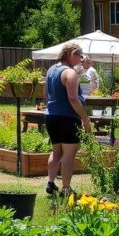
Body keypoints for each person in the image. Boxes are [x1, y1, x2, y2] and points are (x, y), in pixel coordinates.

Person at [43, 43, 92, 197]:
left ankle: (50, 183)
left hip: (51, 116)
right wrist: (85, 119)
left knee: (56, 151)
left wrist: (50, 108)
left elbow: (45, 94)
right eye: (79, 55)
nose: (81, 59)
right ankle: (66, 188)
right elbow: (73, 98)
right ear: (71, 54)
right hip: (67, 117)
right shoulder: (70, 73)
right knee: (69, 153)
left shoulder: (51, 70)